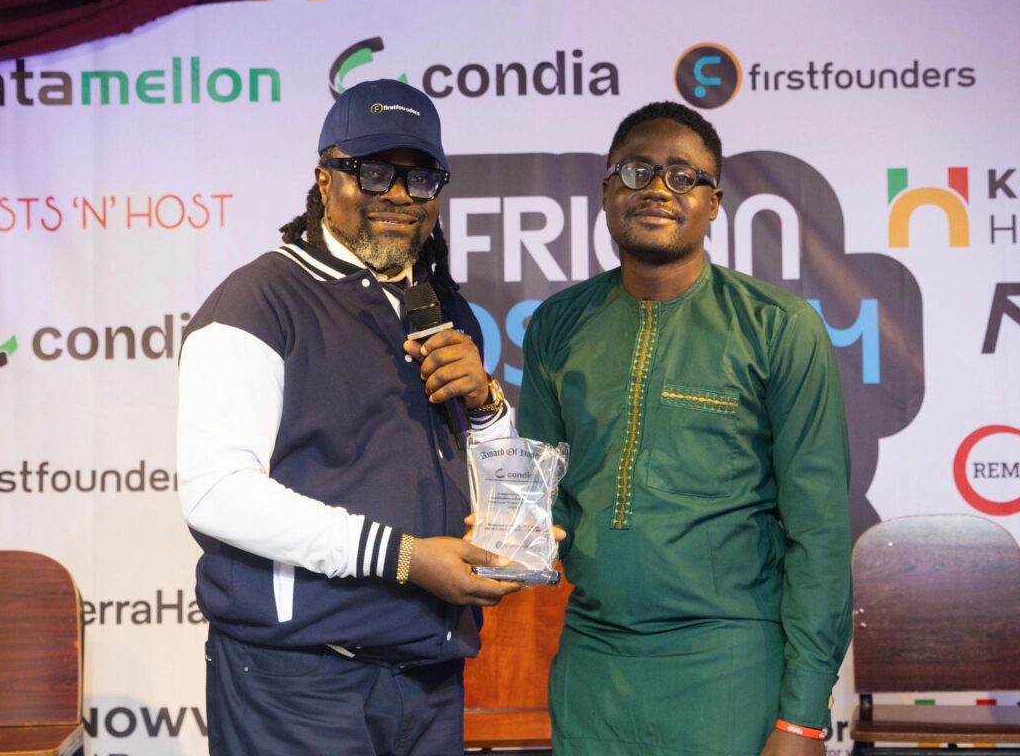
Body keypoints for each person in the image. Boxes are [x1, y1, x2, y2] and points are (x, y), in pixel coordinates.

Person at [176, 78, 519, 756]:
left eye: (420, 177)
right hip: (299, 681)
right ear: (325, 179)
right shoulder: (259, 300)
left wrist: (487, 407)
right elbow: (217, 494)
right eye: (374, 171)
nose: (399, 194)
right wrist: (406, 559)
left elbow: (482, 485)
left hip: (429, 676)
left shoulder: (446, 310)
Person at [519, 101, 852, 756]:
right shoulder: (557, 324)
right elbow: (538, 495)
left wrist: (803, 716)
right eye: (636, 171)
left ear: (714, 202)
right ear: (606, 190)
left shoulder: (778, 327)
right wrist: (506, 536)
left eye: (682, 176)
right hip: (593, 668)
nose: (656, 190)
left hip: (730, 669)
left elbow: (819, 533)